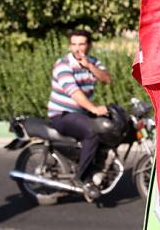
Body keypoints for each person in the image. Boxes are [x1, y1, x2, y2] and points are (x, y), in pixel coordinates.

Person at [47, 29, 112, 190]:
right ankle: (81, 177)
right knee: (93, 131)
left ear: (89, 45)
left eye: (82, 44)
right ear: (70, 46)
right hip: (62, 114)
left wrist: (89, 66)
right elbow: (75, 94)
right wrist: (95, 109)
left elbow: (107, 79)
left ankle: (97, 166)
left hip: (81, 113)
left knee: (111, 126)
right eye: (74, 44)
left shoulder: (93, 62)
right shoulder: (63, 65)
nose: (78, 48)